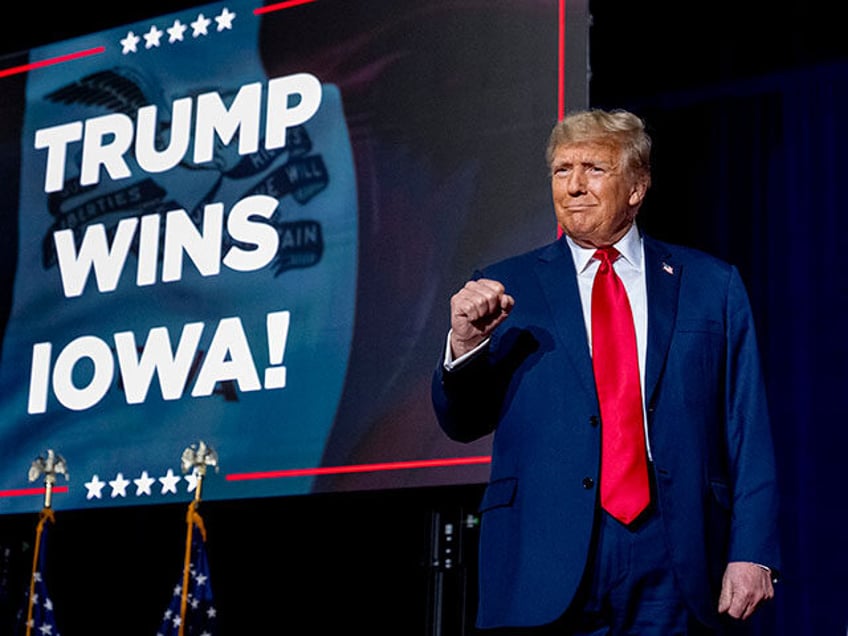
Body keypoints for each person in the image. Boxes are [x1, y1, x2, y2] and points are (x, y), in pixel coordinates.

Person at [431, 109, 781, 634]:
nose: (574, 186)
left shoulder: (711, 286)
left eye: (594, 169)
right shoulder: (506, 286)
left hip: (675, 550)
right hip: (543, 553)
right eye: (561, 170)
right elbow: (461, 421)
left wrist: (753, 551)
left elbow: (746, 428)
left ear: (637, 186)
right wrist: (465, 342)